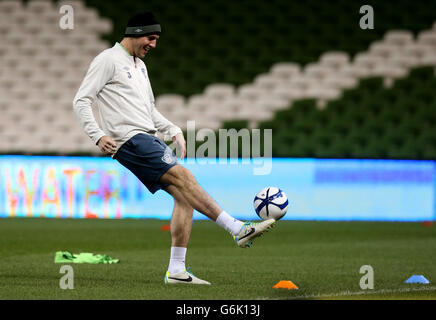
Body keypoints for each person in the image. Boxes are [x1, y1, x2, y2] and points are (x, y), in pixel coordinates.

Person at [73, 11, 275, 285]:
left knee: (185, 197)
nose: (153, 45)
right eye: (150, 38)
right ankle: (237, 228)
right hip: (131, 140)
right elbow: (81, 100)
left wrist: (173, 130)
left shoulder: (139, 66)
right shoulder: (108, 60)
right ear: (136, 33)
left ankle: (176, 271)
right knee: (185, 177)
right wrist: (97, 135)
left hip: (149, 137)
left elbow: (150, 110)